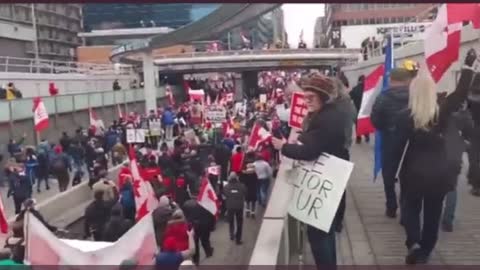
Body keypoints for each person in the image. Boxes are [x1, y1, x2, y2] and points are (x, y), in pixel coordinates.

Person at [397, 50, 477, 264]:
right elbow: (461, 93)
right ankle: (425, 250)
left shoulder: (405, 115)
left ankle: (413, 241)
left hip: (413, 171)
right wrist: (468, 67)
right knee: (433, 213)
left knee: (410, 207)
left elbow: (398, 145)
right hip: (439, 172)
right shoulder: (442, 110)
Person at [271, 72, 351, 267]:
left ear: (323, 96)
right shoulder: (332, 113)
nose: (307, 101)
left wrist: (283, 146)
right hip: (333, 181)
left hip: (326, 184)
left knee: (318, 235)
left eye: (311, 97)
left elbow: (309, 151)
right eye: (305, 97)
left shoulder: (325, 119)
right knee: (326, 232)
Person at [371, 67, 415, 219]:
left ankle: (391, 206)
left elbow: (375, 120)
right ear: (407, 81)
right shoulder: (415, 97)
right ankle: (406, 209)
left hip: (390, 140)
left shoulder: (383, 97)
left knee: (389, 174)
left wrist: (386, 128)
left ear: (391, 80)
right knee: (408, 175)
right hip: (412, 141)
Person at [182, 199, 215, 265]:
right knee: (205, 240)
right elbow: (210, 216)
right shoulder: (203, 206)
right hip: (204, 225)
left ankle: (196, 260)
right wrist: (211, 226)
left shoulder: (186, 206)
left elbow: (186, 218)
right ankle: (208, 252)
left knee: (195, 243)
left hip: (193, 225)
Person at [223, 172, 246, 245]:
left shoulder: (226, 187)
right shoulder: (242, 186)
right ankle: (238, 239)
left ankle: (231, 234)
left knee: (231, 221)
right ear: (237, 178)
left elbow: (224, 196)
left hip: (230, 207)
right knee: (239, 223)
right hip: (239, 206)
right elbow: (245, 193)